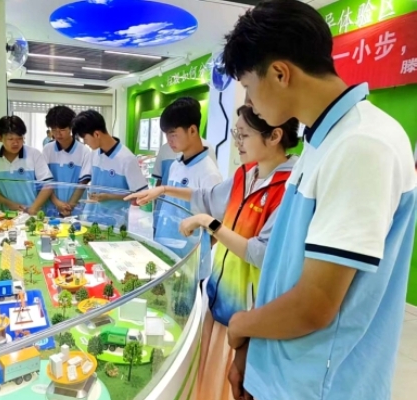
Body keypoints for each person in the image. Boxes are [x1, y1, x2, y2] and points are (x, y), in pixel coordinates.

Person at [221, 1, 417, 400]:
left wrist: (241, 325)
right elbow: (287, 273)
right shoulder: (323, 139)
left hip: (317, 385)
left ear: (280, 73)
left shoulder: (361, 144)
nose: (250, 103)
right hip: (285, 370)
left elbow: (315, 304)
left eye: (249, 87)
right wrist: (253, 351)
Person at [126, 105, 299, 400]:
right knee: (206, 379)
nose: (237, 142)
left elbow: (261, 253)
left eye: (243, 135)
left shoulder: (289, 188)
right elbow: (206, 197)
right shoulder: (246, 174)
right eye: (236, 133)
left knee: (231, 384)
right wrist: (163, 190)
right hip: (219, 298)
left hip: (250, 314)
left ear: (274, 136)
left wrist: (209, 223)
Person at [153, 97, 223, 285]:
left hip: (189, 262)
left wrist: (200, 250)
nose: (169, 141)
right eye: (166, 135)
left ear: (192, 130)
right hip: (167, 253)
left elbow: (218, 224)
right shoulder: (176, 165)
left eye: (173, 134)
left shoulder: (208, 173)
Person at [71, 109, 147, 228]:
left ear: (96, 134)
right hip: (91, 219)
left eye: (85, 139)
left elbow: (141, 195)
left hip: (114, 224)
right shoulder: (94, 154)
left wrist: (109, 196)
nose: (85, 143)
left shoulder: (127, 158)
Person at [0, 116, 54, 215]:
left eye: (20, 138)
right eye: (10, 139)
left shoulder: (34, 154)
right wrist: (8, 203)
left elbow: (48, 184)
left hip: (34, 215)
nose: (16, 143)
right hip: (8, 217)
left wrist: (33, 209)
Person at [43, 105, 91, 217]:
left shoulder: (84, 151)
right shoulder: (47, 149)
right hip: (52, 208)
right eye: (54, 130)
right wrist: (57, 203)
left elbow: (82, 183)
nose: (57, 134)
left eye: (62, 130)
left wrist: (69, 206)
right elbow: (44, 182)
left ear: (71, 128)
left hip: (75, 210)